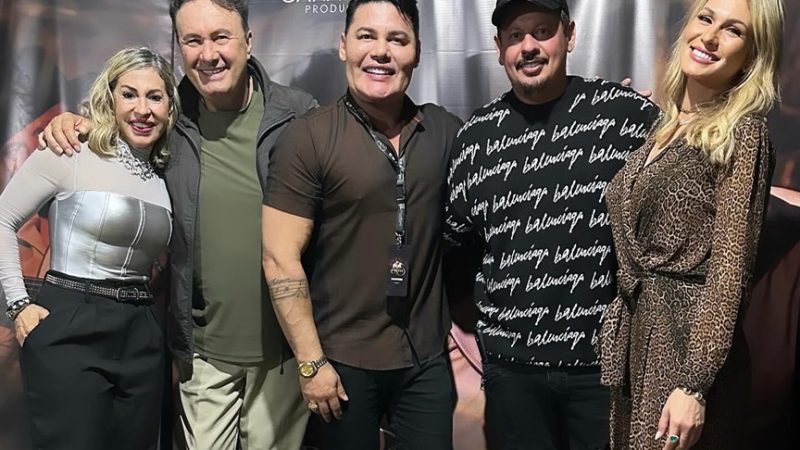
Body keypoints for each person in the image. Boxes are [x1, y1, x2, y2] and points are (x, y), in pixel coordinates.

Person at [38, 1, 317, 448]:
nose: (208, 54)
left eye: (221, 37)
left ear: (248, 41)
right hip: (202, 356)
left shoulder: (299, 115)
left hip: (283, 353)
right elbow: (114, 136)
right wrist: (74, 124)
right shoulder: (167, 118)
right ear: (179, 46)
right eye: (193, 40)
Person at [444, 1, 657, 449]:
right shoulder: (475, 138)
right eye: (515, 36)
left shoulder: (626, 117)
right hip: (511, 372)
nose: (529, 46)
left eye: (542, 31)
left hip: (603, 367)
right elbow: (454, 244)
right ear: (499, 47)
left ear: (570, 35)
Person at [260, 0, 462, 449]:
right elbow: (278, 257)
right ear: (343, 45)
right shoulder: (308, 137)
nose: (381, 51)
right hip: (340, 364)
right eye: (366, 36)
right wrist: (311, 363)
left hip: (425, 359)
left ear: (417, 52)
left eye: (397, 39)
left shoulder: (444, 130)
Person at [598, 0, 784, 448]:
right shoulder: (663, 130)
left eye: (734, 30)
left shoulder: (744, 133)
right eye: (705, 18)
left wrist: (694, 384)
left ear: (751, 56)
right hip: (636, 341)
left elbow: (730, 269)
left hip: (684, 350)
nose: (710, 37)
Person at [0, 46, 177, 450]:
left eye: (155, 97)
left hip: (141, 331)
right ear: (109, 97)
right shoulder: (69, 150)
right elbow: (3, 218)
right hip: (71, 322)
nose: (142, 109)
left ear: (170, 107)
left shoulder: (164, 171)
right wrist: (18, 305)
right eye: (129, 94)